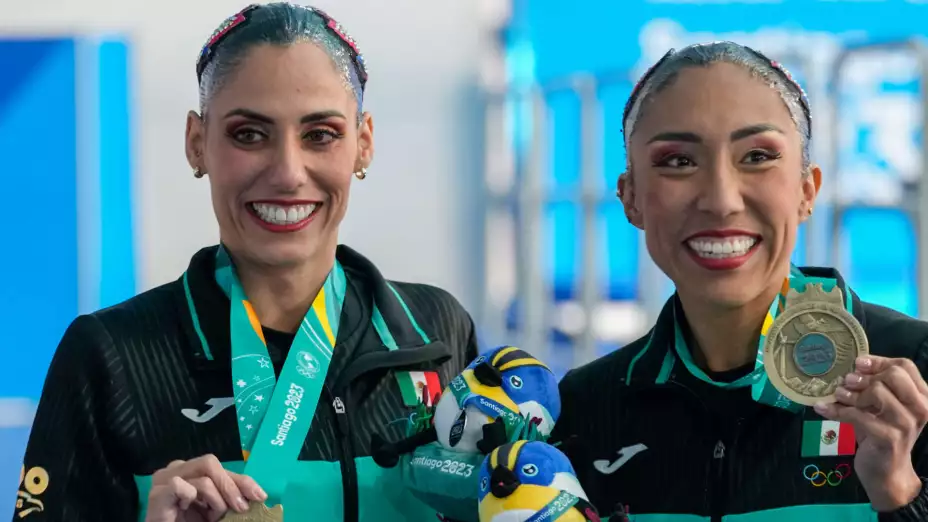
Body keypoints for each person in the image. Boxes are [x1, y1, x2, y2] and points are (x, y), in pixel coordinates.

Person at [13, 4, 478, 521]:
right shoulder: (111, 358)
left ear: (363, 144)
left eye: (320, 134)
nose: (287, 172)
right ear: (197, 144)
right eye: (249, 135)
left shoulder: (434, 334)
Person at [550, 42, 928, 521]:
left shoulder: (915, 372)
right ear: (631, 199)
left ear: (806, 190)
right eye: (678, 161)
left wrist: (900, 493)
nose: (722, 201)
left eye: (757, 156)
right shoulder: (584, 411)